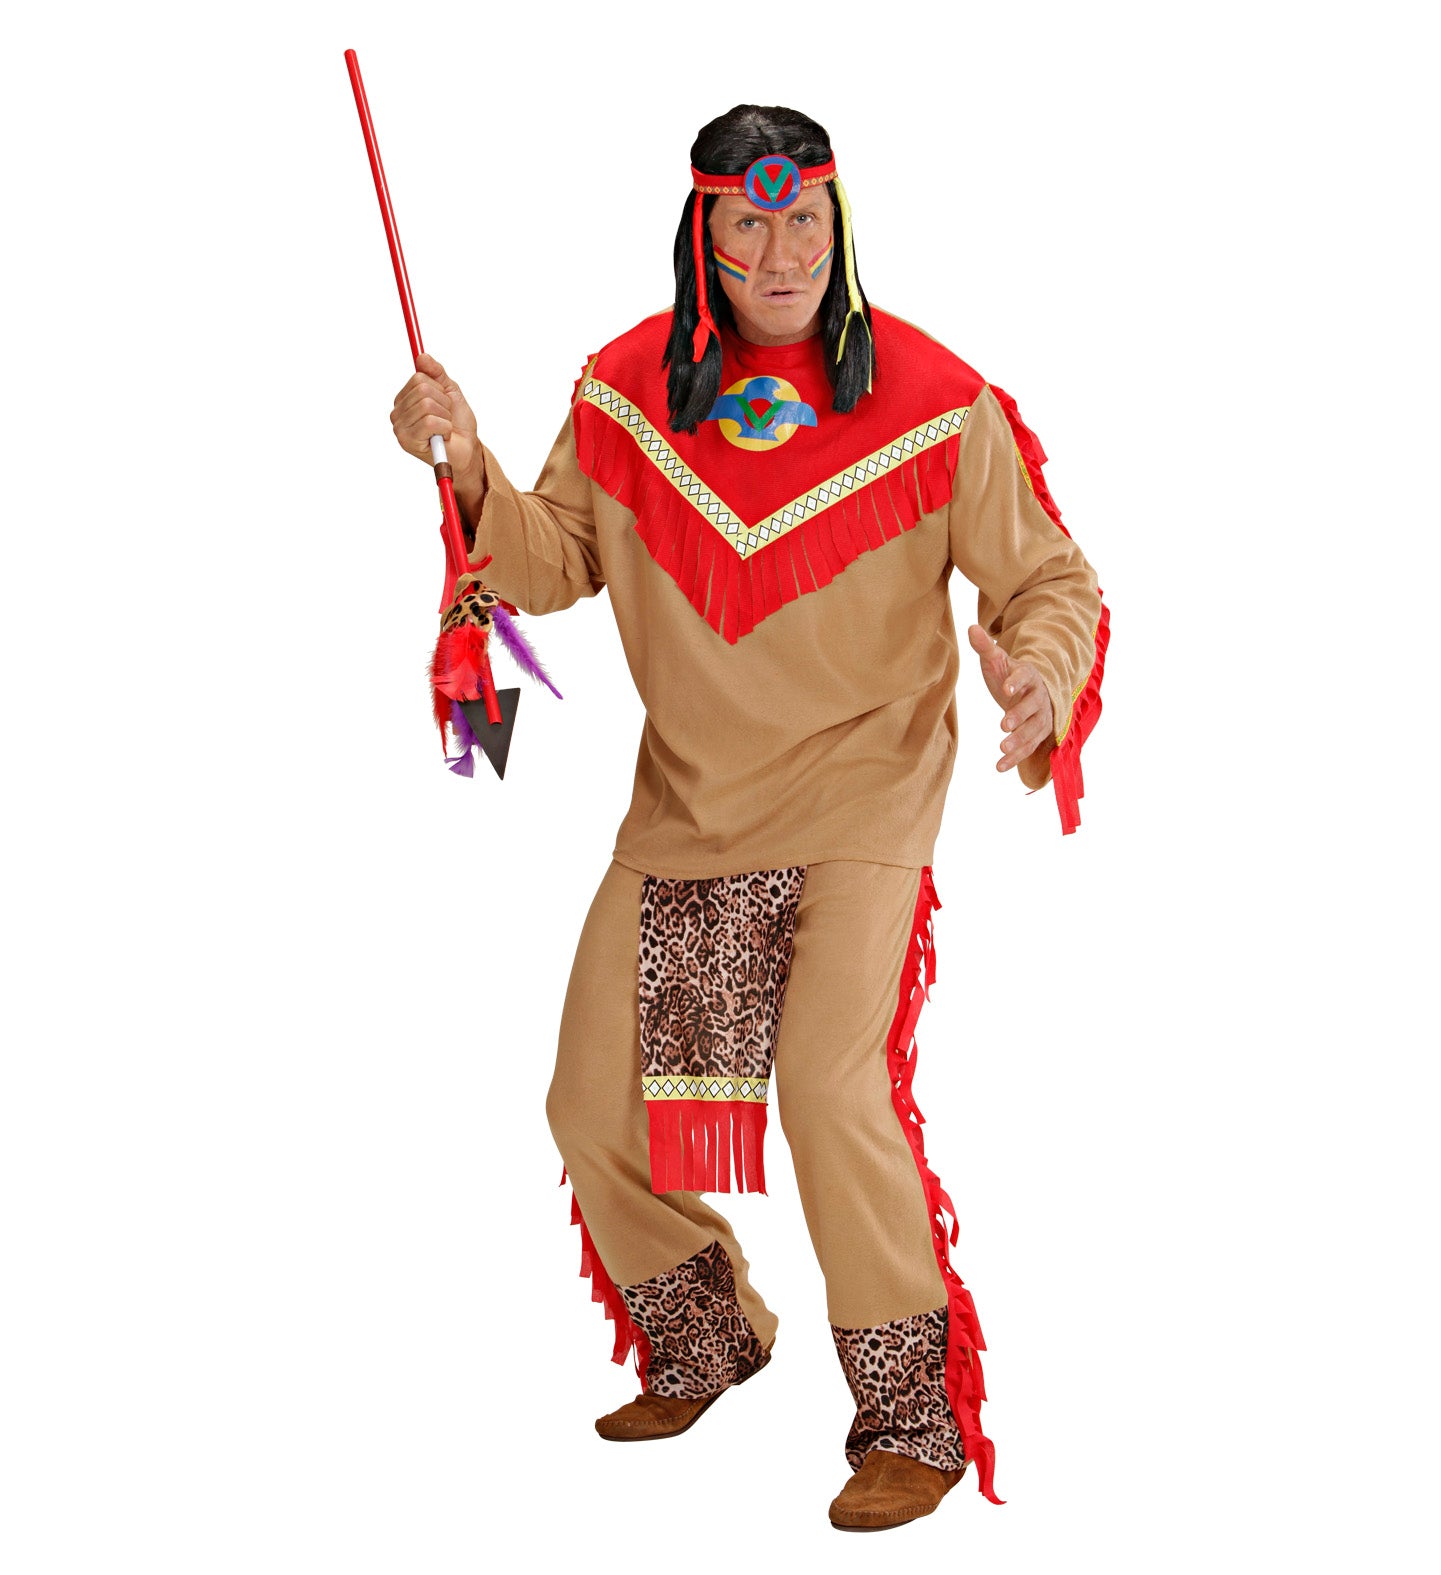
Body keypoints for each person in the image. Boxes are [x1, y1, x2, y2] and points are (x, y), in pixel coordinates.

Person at [389, 103, 1108, 1532]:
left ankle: (909, 1417)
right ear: (700, 235)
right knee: (589, 1100)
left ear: (839, 227)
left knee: (828, 1088)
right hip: (693, 803)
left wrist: (1039, 675)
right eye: (749, 223)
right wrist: (464, 465)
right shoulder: (624, 395)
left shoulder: (931, 400)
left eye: (805, 220)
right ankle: (709, 1331)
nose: (781, 253)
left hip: (862, 789)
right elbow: (549, 562)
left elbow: (1049, 579)